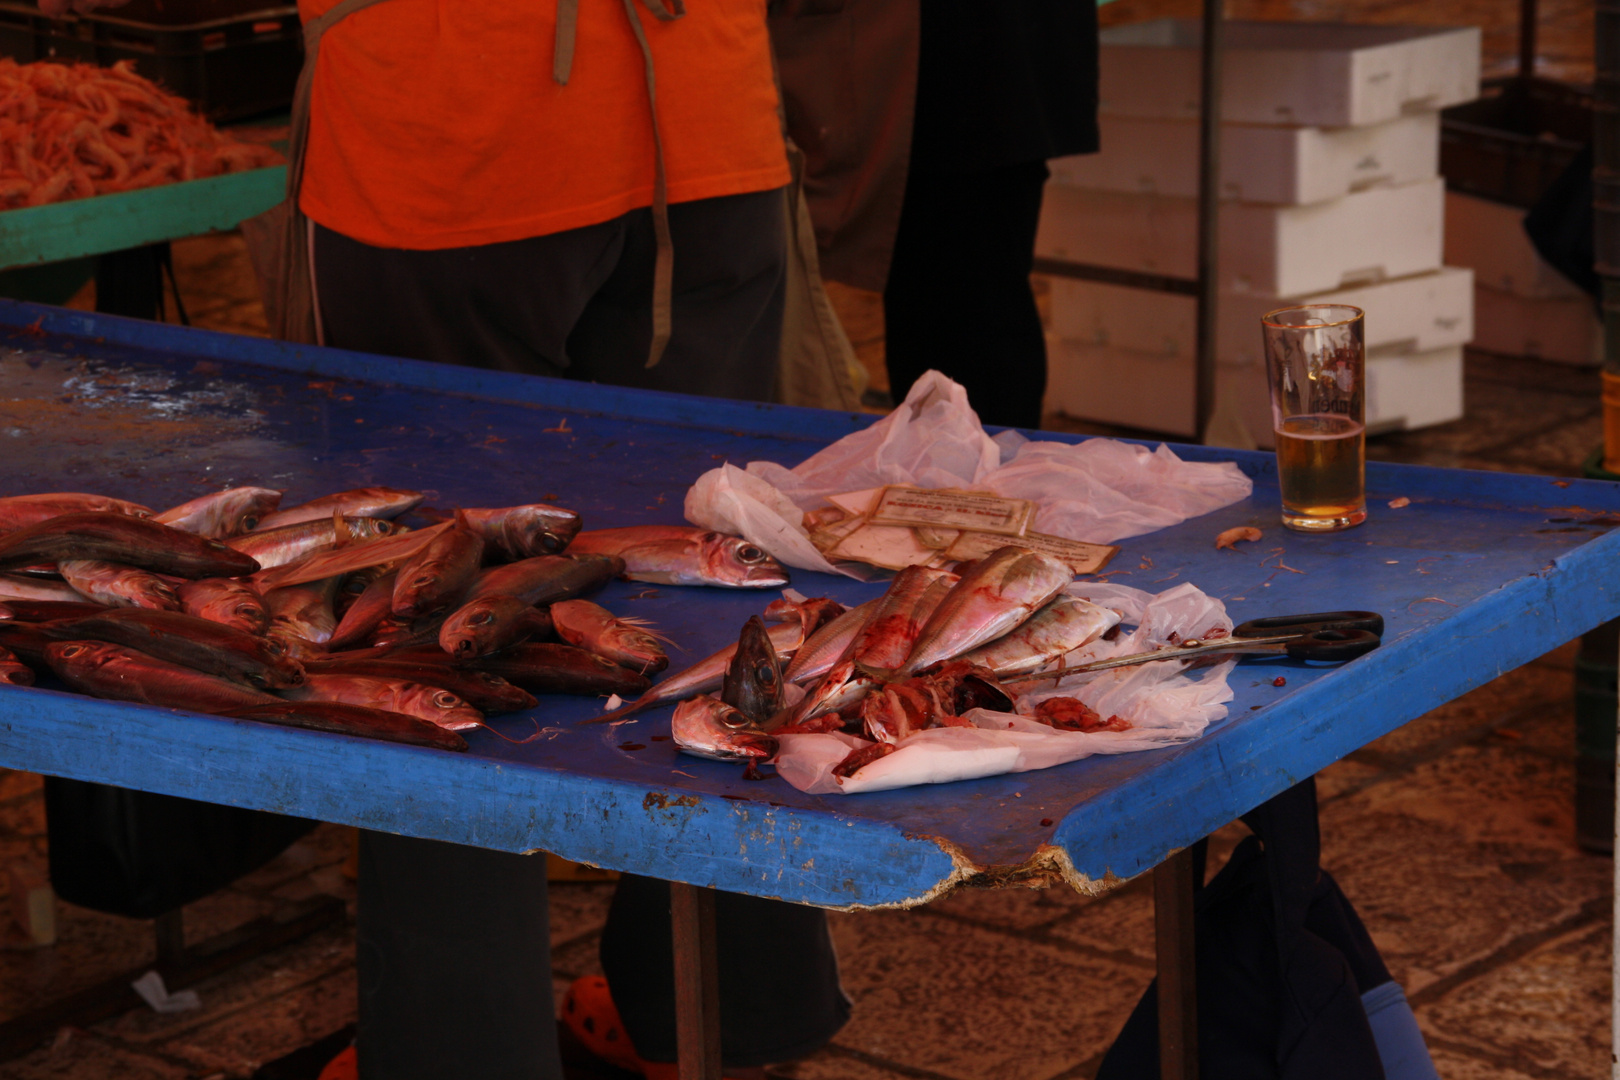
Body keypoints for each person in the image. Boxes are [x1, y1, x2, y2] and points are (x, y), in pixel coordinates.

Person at [33, 2, 852, 1078]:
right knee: (702, 573)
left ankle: (457, 1051)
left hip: (458, 137)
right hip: (701, 133)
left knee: (421, 601)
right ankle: (733, 1007)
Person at [770, 0, 1101, 429]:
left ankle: (975, 480)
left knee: (966, 318)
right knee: (955, 307)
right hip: (968, 73)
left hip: (959, 72)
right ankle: (961, 474)